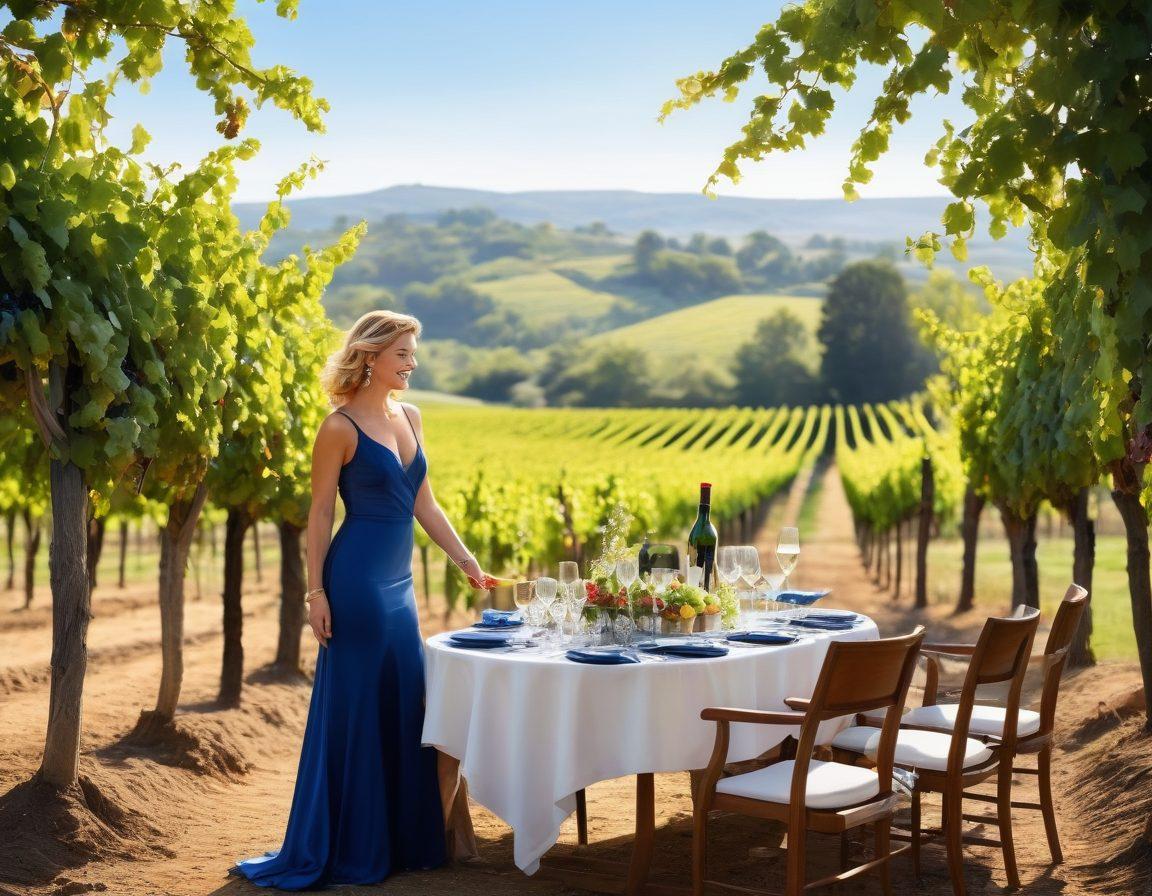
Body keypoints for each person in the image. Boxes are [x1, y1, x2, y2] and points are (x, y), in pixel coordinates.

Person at [234, 310, 496, 889]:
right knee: (359, 711)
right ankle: (356, 845)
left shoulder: (412, 416)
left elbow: (424, 502)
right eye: (402, 353)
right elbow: (322, 514)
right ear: (371, 356)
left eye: (413, 354)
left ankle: (403, 841)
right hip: (354, 583)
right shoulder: (339, 428)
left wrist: (468, 562)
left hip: (399, 587)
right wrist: (316, 592)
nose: (411, 363)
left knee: (406, 705)